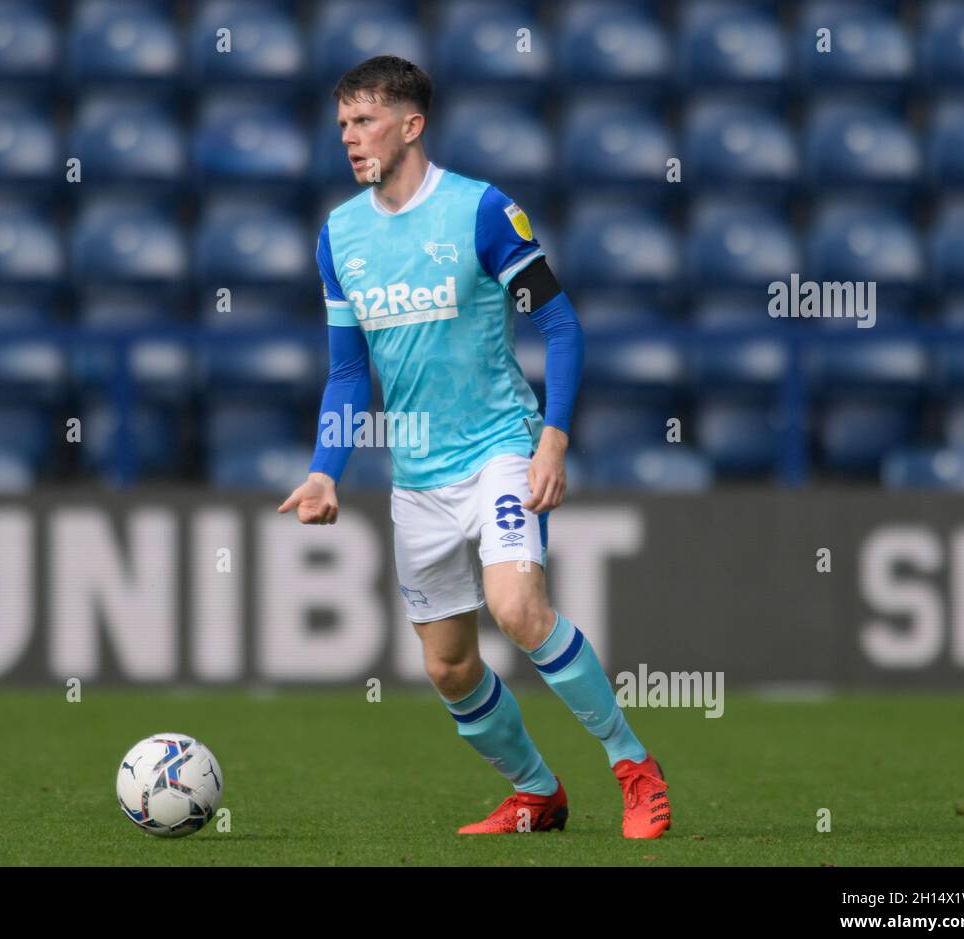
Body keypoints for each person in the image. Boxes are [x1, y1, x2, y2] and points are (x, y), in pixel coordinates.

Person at [279, 56, 671, 838]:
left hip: (499, 447)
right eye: (344, 127)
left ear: (411, 125)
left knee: (519, 608)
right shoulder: (341, 236)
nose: (351, 140)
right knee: (448, 666)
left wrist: (551, 439)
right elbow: (348, 371)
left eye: (365, 123)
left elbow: (559, 326)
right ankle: (537, 793)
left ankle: (633, 765)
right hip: (416, 477)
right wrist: (325, 472)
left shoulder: (482, 213)